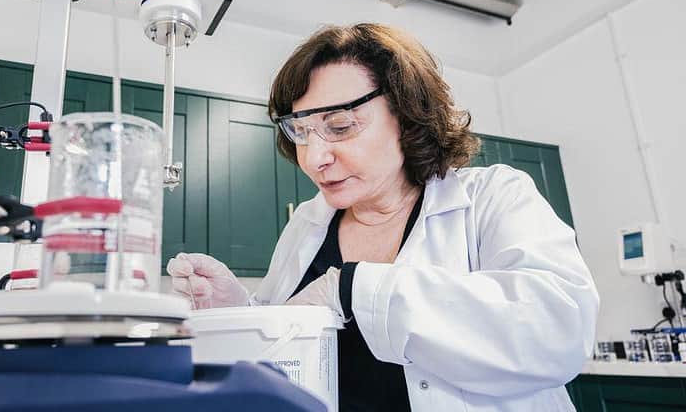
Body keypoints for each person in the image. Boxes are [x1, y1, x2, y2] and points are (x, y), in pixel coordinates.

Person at [166, 23, 599, 411]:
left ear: (407, 115)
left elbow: (558, 332)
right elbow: (288, 344)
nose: (314, 158)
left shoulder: (493, 196)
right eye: (300, 132)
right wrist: (238, 311)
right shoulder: (307, 224)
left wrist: (352, 288)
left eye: (339, 126)